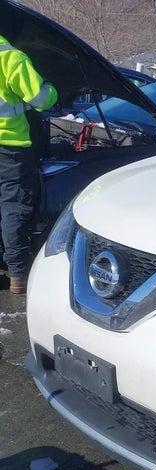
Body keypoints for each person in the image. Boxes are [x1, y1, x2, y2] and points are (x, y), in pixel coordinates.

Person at [0, 33, 57, 294]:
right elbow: (41, 99)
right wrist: (52, 88)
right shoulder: (10, 57)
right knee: (14, 207)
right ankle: (18, 276)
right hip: (9, 147)